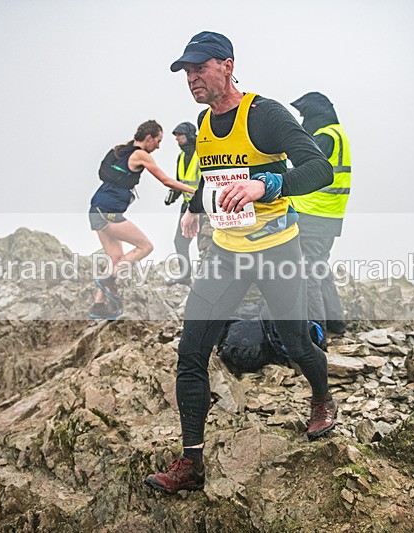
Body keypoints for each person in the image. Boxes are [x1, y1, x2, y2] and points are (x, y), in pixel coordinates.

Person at [145, 32, 338, 494]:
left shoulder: (264, 114)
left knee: (295, 342)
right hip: (226, 254)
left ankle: (322, 397)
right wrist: (194, 210)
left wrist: (268, 186)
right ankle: (191, 463)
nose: (192, 78)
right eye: (186, 72)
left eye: (199, 68)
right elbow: (212, 179)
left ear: (227, 65)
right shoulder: (203, 122)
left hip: (276, 252)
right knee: (191, 352)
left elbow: (320, 169)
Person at [88, 120, 195, 319]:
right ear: (149, 138)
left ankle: (98, 306)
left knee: (116, 258)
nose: (158, 146)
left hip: (96, 208)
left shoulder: (121, 150)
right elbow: (166, 180)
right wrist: (195, 191)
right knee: (145, 246)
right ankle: (109, 278)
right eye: (158, 141)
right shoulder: (140, 155)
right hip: (108, 212)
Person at [289, 92, 351, 337]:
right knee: (319, 268)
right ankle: (335, 323)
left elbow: (305, 170)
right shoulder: (338, 133)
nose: (303, 120)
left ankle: (316, 331)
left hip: (314, 214)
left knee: (308, 273)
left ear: (315, 114)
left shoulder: (325, 136)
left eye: (305, 115)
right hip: (329, 215)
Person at [164, 122, 210, 285]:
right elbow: (180, 181)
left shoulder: (202, 153)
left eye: (180, 135)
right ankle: (184, 276)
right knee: (180, 241)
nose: (177, 139)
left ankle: (205, 280)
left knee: (202, 244)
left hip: (203, 207)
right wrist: (173, 194)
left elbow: (207, 180)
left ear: (190, 135)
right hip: (187, 206)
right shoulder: (182, 157)